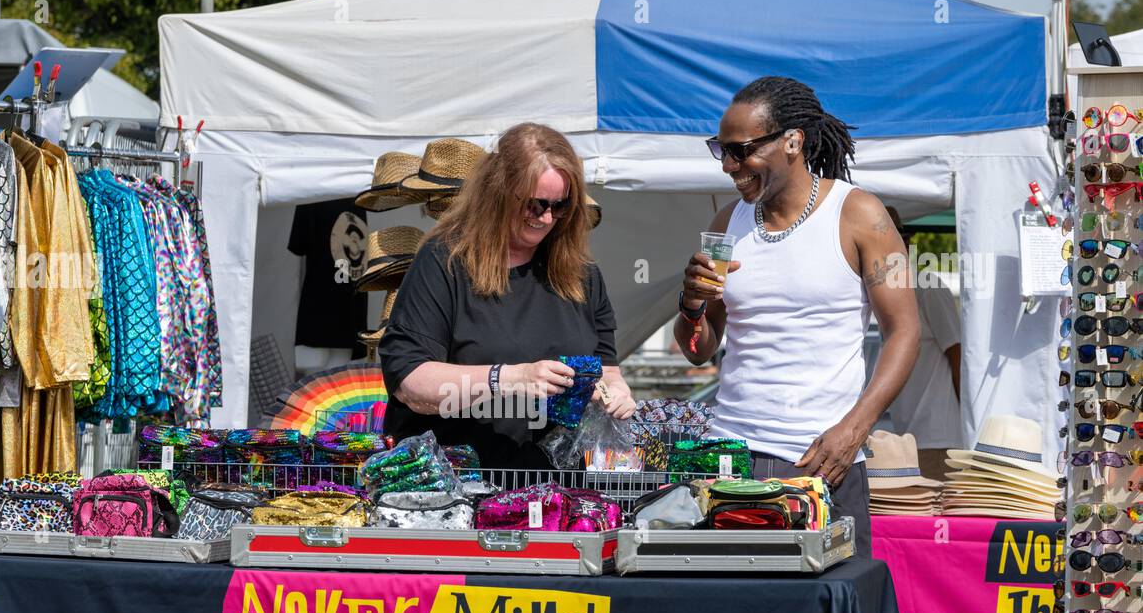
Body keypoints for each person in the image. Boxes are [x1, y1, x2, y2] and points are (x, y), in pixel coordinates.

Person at [677, 76, 920, 548]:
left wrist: (854, 429)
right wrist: (690, 307)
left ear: (793, 141)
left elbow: (905, 332)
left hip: (820, 460)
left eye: (741, 149)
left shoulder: (859, 214)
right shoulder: (728, 222)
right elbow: (696, 351)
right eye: (720, 149)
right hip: (729, 457)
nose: (729, 165)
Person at [381, 122, 636, 469]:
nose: (546, 218)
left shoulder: (581, 275)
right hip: (457, 485)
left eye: (560, 206)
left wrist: (616, 393)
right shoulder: (445, 262)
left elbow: (606, 369)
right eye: (535, 205)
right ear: (499, 191)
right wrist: (510, 378)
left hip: (555, 491)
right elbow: (409, 382)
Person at [883, 207, 963, 483]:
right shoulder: (881, 290)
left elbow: (957, 354)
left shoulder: (926, 286)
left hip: (937, 437)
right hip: (905, 437)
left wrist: (967, 423)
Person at [288, 198, 371, 374]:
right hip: (348, 307)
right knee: (336, 385)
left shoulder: (311, 195)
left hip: (318, 306)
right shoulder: (358, 199)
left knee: (313, 385)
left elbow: (298, 244)